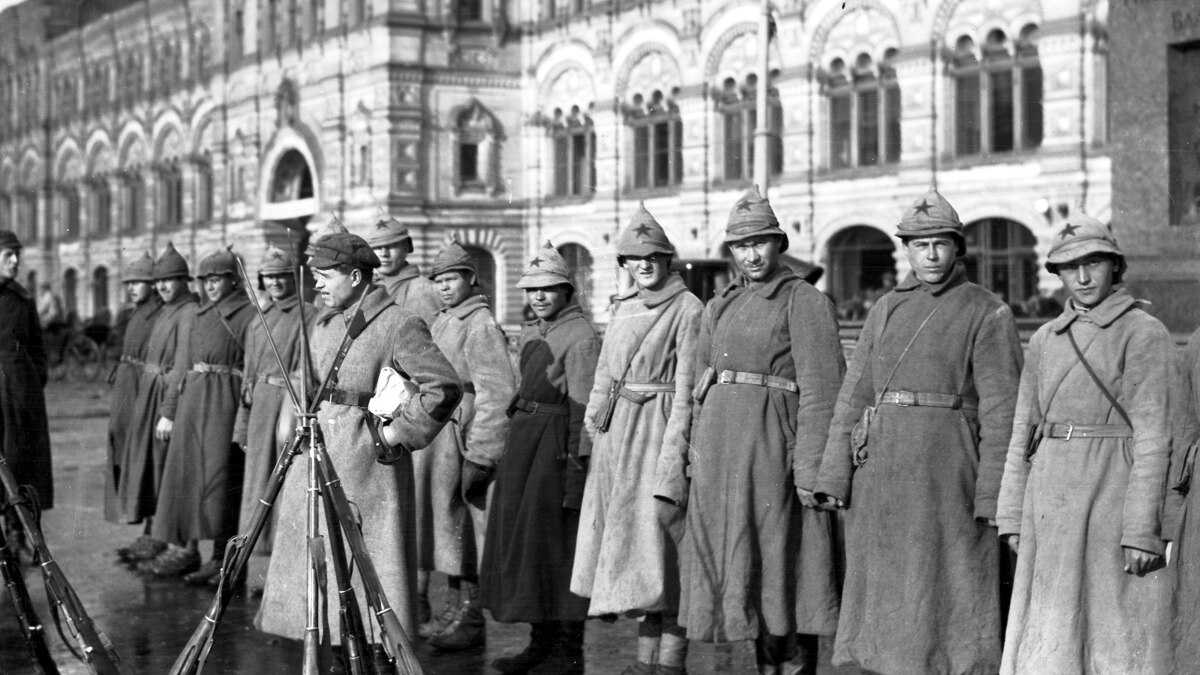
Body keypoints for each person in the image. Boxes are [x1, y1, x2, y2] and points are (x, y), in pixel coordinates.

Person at [812, 190, 1023, 674]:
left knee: (946, 590)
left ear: (957, 249)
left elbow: (1001, 413)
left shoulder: (986, 311)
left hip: (947, 474)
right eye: (919, 245)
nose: (930, 255)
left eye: (940, 245)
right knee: (888, 597)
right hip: (882, 475)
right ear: (905, 250)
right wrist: (834, 475)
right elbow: (854, 392)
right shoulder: (885, 308)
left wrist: (995, 497)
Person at [256, 230, 462, 649]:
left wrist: (394, 433)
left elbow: (443, 386)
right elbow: (305, 377)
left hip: (367, 467)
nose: (316, 284)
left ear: (354, 276)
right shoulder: (323, 322)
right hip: (315, 456)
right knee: (315, 566)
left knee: (367, 572)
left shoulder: (399, 323)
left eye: (324, 275)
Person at [996, 214, 1174, 673]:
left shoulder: (1142, 332)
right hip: (1049, 496)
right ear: (1057, 274)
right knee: (1051, 634)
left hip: (1109, 492)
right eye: (1070, 266)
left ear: (1115, 266)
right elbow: (1023, 430)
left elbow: (1155, 436)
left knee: (1110, 634)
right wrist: (1012, 513)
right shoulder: (1044, 339)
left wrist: (1140, 529)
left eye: (1094, 262)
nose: (1082, 276)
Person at [678, 188, 844, 675]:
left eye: (760, 243)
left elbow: (822, 390)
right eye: (739, 245)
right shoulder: (719, 306)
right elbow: (699, 386)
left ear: (779, 244)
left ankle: (795, 667)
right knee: (745, 567)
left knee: (785, 563)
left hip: (776, 451)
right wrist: (695, 456)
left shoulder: (803, 300)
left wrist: (811, 468)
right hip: (724, 457)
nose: (751, 255)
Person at [570, 205, 702, 675]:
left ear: (668, 261)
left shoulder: (689, 309)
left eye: (653, 256)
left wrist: (674, 454)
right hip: (617, 441)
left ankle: (669, 663)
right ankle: (643, 661)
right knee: (633, 553)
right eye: (634, 257)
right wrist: (596, 429)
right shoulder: (623, 309)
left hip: (659, 435)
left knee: (662, 552)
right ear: (624, 263)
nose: (644, 264)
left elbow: (687, 391)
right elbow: (605, 375)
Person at [480, 240, 601, 675]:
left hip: (555, 451)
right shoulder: (533, 331)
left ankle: (569, 653)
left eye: (549, 288)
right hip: (524, 448)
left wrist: (575, 468)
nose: (539, 296)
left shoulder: (581, 335)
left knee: (560, 549)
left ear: (567, 291)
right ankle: (539, 643)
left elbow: (583, 409)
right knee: (530, 549)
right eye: (532, 289)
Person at [419, 237, 517, 651]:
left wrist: (483, 452)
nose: (443, 286)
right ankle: (455, 606)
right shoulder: (444, 320)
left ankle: (472, 615)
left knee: (466, 528)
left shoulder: (480, 324)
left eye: (452, 278)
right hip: (438, 436)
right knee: (446, 526)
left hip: (465, 437)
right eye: (438, 279)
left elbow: (498, 392)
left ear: (471, 279)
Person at [149, 249, 254, 584]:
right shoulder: (196, 315)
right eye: (206, 280)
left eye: (217, 279)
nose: (210, 286)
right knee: (189, 477)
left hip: (226, 400)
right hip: (193, 399)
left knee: (223, 482)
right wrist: (169, 411)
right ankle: (186, 549)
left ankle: (223, 558)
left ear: (233, 279)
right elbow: (182, 365)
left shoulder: (249, 314)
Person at [365, 214, 443, 621]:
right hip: (379, 410)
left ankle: (421, 593)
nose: (385, 253)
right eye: (378, 247)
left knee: (421, 505)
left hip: (417, 409)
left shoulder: (424, 291)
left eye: (393, 245)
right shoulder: (372, 291)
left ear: (408, 247)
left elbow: (437, 350)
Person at [117, 242, 200, 567]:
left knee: (173, 473)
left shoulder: (188, 312)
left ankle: (180, 547)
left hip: (171, 401)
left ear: (184, 281)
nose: (163, 286)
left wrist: (168, 411)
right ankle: (158, 536)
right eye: (160, 281)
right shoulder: (168, 310)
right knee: (155, 470)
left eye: (171, 280)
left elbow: (181, 366)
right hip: (151, 398)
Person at [232, 245, 312, 566]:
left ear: (293, 278)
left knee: (283, 487)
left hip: (285, 410)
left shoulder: (308, 315)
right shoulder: (259, 320)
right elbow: (248, 379)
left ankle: (283, 563)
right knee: (256, 489)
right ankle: (256, 563)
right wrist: (242, 422)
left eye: (282, 276)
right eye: (270, 277)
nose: (276, 282)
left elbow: (306, 372)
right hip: (259, 411)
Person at [0, 230, 53, 556]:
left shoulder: (23, 299)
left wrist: (32, 379)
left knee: (23, 461)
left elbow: (38, 347)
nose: (16, 261)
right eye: (8, 255)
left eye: (18, 254)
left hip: (22, 390)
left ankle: (20, 530)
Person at [106, 252, 163, 527]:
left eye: (137, 282)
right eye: (128, 283)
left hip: (143, 389)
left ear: (153, 284)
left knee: (145, 452)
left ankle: (152, 523)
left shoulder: (159, 314)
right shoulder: (136, 313)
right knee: (122, 444)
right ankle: (135, 512)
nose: (131, 288)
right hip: (126, 388)